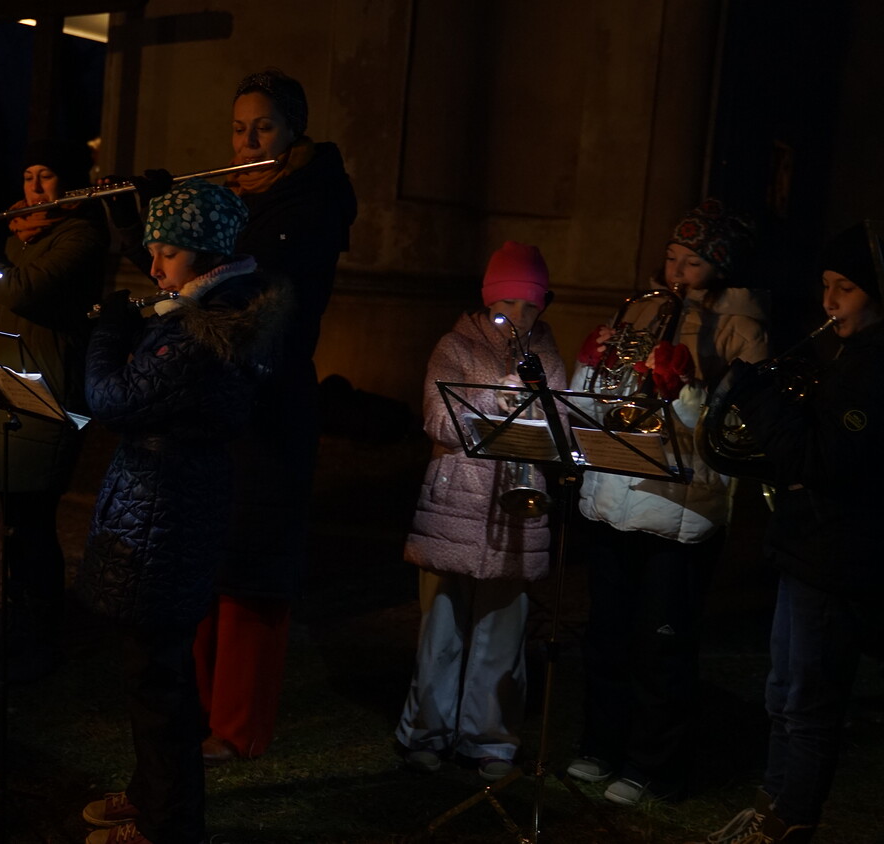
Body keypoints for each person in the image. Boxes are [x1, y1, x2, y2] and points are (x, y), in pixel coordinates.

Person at [697, 224, 884, 844]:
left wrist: (760, 398)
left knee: (808, 700)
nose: (829, 301)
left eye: (846, 288)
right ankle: (770, 805)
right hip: (806, 542)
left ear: (881, 295)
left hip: (838, 553)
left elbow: (817, 459)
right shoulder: (844, 356)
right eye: (826, 285)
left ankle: (790, 821)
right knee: (782, 691)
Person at [76, 179, 286, 844]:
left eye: (167, 251)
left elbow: (112, 398)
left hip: (166, 509)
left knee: (157, 681)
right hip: (167, 503)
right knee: (158, 673)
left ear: (204, 253)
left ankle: (167, 827)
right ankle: (151, 796)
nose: (154, 265)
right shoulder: (205, 309)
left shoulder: (202, 329)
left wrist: (109, 331)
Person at [566, 198, 769, 805]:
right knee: (607, 633)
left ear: (719, 267)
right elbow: (595, 410)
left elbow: (740, 431)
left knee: (662, 645)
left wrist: (686, 390)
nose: (676, 272)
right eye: (671, 257)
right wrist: (591, 368)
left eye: (692, 262)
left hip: (682, 510)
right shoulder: (642, 309)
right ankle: (601, 744)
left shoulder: (742, 326)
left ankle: (652, 765)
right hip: (614, 496)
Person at [195, 66, 357, 766]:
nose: (247, 142)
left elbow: (255, 292)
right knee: (208, 557)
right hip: (223, 401)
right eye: (238, 129)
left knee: (253, 568)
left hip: (272, 401)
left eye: (263, 127)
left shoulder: (309, 200)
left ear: (293, 130)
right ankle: (201, 706)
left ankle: (238, 726)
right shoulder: (238, 197)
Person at [393, 242, 567, 781]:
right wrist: (495, 401)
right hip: (455, 507)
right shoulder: (456, 346)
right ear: (488, 301)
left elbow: (560, 427)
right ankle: (426, 732)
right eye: (507, 304)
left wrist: (535, 405)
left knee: (502, 633)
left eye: (530, 306)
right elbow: (439, 421)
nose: (518, 316)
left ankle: (489, 739)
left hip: (516, 514)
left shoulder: (546, 355)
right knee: (441, 629)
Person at [0, 138, 108, 681]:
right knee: (14, 520)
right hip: (12, 381)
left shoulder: (81, 234)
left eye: (47, 176)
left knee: (35, 521)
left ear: (68, 182)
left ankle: (43, 641)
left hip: (52, 389)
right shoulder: (21, 235)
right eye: (28, 176)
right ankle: (17, 628)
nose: (35, 188)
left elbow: (22, 291)